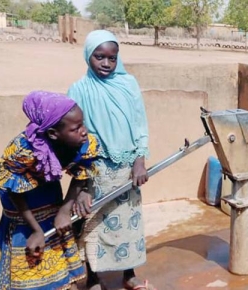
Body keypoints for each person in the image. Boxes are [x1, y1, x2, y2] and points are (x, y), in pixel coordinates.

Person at [67, 30, 154, 290]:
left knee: (128, 223)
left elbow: (140, 123)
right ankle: (93, 276)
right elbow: (73, 138)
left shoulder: (128, 84)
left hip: (126, 168)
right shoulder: (79, 90)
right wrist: (81, 184)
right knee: (93, 224)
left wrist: (140, 159)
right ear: (88, 56)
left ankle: (129, 274)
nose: (106, 63)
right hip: (95, 168)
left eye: (112, 58)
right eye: (99, 57)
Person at [0, 91, 100, 290]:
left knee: (58, 254)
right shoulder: (22, 150)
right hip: (21, 207)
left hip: (49, 196)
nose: (84, 131)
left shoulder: (82, 143)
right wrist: (35, 230)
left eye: (83, 124)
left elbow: (82, 172)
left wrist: (64, 210)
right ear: (53, 134)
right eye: (76, 128)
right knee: (31, 260)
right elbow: (13, 190)